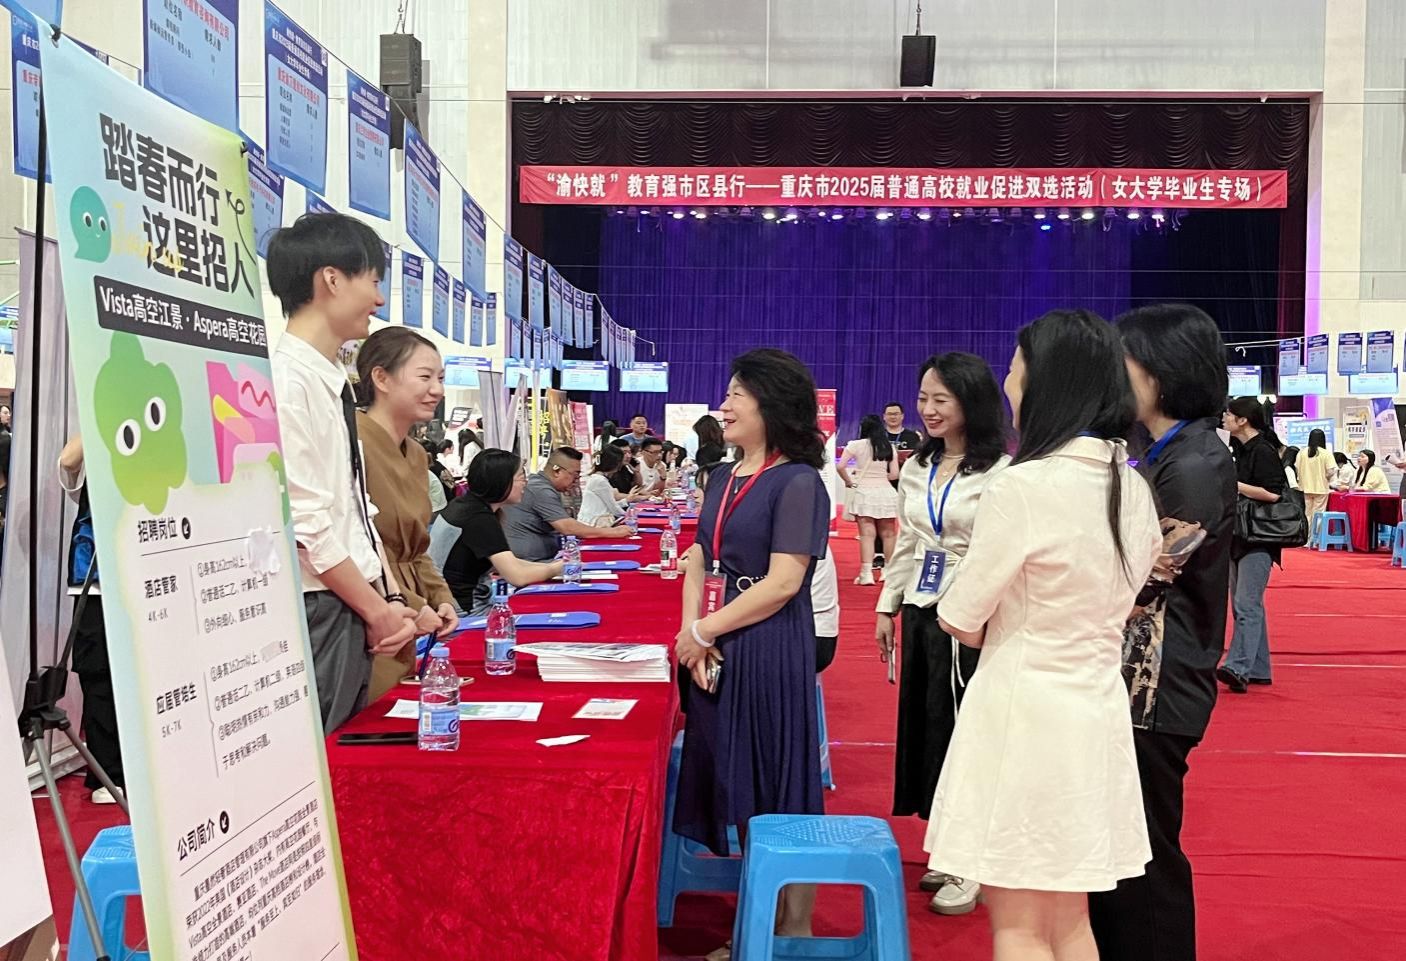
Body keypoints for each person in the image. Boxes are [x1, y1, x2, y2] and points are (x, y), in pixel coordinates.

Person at [925, 309, 1163, 961]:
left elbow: (959, 615)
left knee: (1020, 926)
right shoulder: (1132, 487)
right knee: (1069, 921)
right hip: (1095, 714)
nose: (1008, 382)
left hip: (1023, 716)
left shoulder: (1023, 486)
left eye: (1015, 368)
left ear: (1045, 384)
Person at [1088, 304, 1238, 961]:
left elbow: (1149, 577)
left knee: (1145, 852)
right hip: (1135, 677)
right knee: (1121, 846)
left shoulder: (1195, 461)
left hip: (1156, 683)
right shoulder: (1163, 451)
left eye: (1122, 361)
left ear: (1160, 371)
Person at [673, 348, 830, 952]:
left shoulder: (798, 481)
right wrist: (692, 632)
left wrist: (704, 632)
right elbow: (698, 559)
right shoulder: (721, 476)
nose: (725, 405)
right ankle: (757, 926)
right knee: (735, 780)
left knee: (779, 783)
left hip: (768, 643)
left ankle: (791, 928)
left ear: (773, 404)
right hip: (716, 641)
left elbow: (784, 581)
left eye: (738, 394)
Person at [267, 213, 417, 731]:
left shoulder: (328, 379)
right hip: (320, 605)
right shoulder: (286, 383)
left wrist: (389, 600)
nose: (379, 299)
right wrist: (376, 610)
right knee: (321, 751)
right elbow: (307, 524)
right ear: (332, 279)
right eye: (372, 281)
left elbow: (355, 511)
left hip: (348, 600)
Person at [873, 352, 1009, 916]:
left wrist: (974, 612)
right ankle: (948, 844)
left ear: (970, 402)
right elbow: (907, 541)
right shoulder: (916, 467)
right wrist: (887, 605)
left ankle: (973, 861)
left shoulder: (1001, 472)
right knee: (930, 725)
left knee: (966, 730)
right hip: (922, 609)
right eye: (923, 397)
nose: (927, 409)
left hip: (970, 616)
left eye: (940, 399)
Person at [355, 327, 461, 701]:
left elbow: (416, 547)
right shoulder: (351, 442)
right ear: (381, 378)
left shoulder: (416, 454)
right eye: (425, 377)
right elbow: (353, 545)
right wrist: (413, 606)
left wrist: (440, 597)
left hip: (412, 613)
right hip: (368, 612)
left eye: (441, 378)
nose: (438, 390)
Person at [58, 435, 123, 804]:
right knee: (97, 673)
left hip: (148, 574)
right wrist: (99, 420)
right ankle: (108, 775)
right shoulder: (94, 440)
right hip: (94, 579)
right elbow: (68, 462)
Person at [434, 450, 564, 614]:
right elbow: (518, 576)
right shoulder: (478, 518)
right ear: (501, 481)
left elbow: (509, 562)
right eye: (521, 476)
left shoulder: (467, 505)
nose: (525, 483)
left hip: (449, 602)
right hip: (463, 610)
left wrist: (554, 566)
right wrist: (556, 569)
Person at [1217, 397, 1288, 694]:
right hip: (1240, 535)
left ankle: (1238, 666)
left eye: (1229, 414)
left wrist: (1233, 484)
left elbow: (1273, 494)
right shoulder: (1240, 449)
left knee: (1246, 603)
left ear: (1243, 420)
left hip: (1259, 538)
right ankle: (1258, 668)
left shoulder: (1262, 451)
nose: (1224, 418)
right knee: (1245, 604)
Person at [501, 447, 629, 561]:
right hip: (532, 561)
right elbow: (567, 527)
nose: (576, 481)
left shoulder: (543, 486)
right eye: (575, 475)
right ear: (557, 471)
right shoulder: (540, 489)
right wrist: (612, 532)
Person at [837, 414, 900, 585]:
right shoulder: (889, 447)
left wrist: (848, 481)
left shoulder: (855, 445)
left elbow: (840, 466)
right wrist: (881, 477)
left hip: (864, 492)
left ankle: (866, 574)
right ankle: (888, 572)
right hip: (886, 492)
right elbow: (895, 474)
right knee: (889, 534)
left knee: (867, 535)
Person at [580, 445, 630, 526]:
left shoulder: (597, 478)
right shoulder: (600, 481)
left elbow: (610, 505)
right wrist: (630, 516)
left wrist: (626, 501)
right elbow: (613, 508)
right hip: (594, 523)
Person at [1295, 429, 1334, 529]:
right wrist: (1326, 477)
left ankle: (1306, 535)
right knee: (1318, 514)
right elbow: (1331, 471)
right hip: (1321, 488)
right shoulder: (1326, 453)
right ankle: (1316, 536)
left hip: (1304, 488)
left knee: (1307, 514)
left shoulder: (1302, 452)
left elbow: (1297, 468)